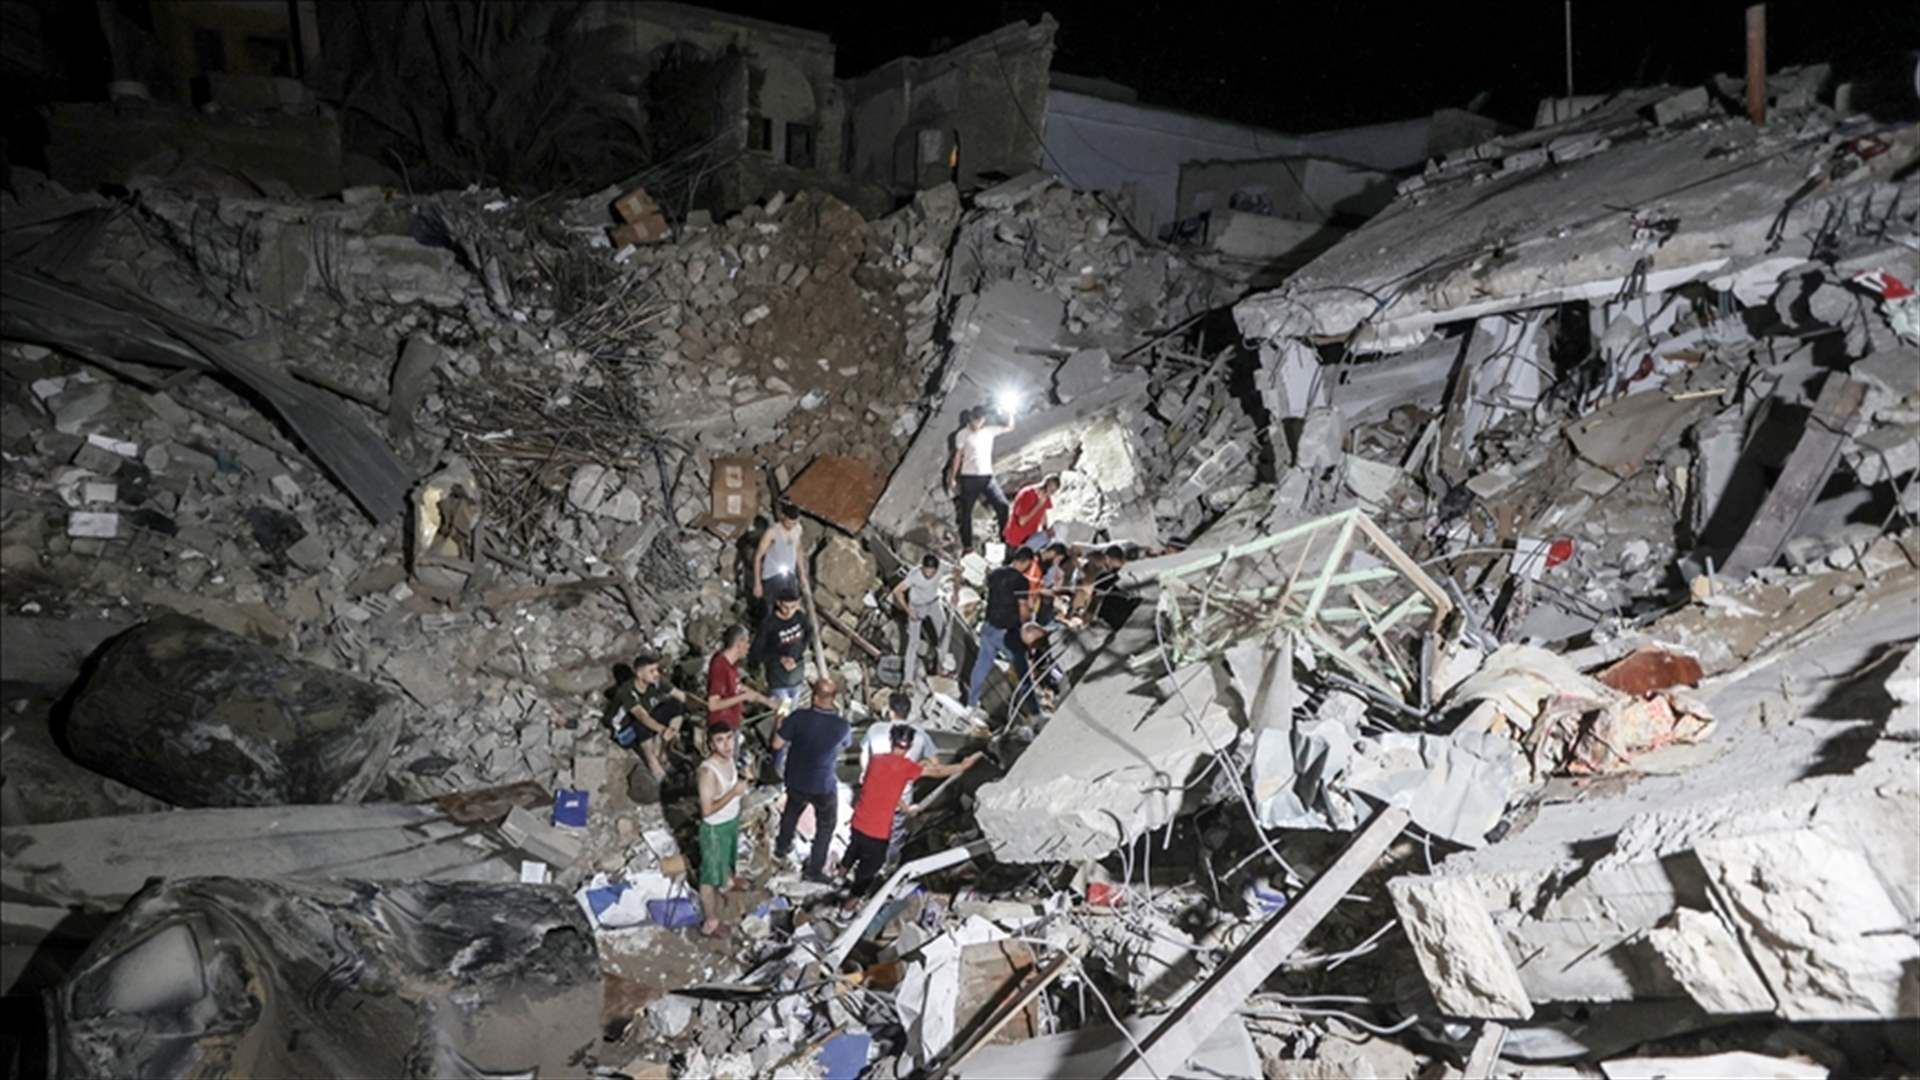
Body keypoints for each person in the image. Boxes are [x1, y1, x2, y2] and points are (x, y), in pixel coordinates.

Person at [845, 725, 981, 893]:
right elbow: (938, 771)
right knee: (867, 872)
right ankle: (848, 908)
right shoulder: (906, 768)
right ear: (909, 746)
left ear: (891, 741)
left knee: (852, 852)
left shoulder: (877, 760)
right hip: (877, 833)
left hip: (858, 823)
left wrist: (906, 808)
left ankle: (837, 878)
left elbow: (889, 790)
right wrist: (962, 766)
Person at [771, 678, 852, 884]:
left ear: (814, 697)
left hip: (796, 779)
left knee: (791, 812)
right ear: (834, 699)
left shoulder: (797, 718)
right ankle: (814, 870)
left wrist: (779, 723)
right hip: (822, 783)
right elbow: (845, 745)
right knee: (825, 826)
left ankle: (781, 848)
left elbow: (776, 744)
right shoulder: (841, 725)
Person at [859, 692, 935, 866]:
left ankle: (864, 862)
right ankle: (887, 867)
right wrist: (917, 765)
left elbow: (864, 756)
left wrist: (865, 774)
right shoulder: (920, 735)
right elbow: (935, 763)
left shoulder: (875, 729)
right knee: (894, 833)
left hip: (872, 790)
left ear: (890, 711)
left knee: (867, 827)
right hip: (899, 797)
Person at [966, 547, 1041, 718]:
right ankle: (1035, 712)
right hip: (1007, 633)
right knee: (1023, 671)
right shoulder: (1021, 581)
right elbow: (1023, 609)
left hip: (988, 626)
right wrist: (1027, 626)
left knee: (981, 666)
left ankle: (970, 705)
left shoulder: (995, 574)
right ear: (1026, 562)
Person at [696, 726, 749, 939]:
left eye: (730, 738)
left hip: (730, 822)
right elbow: (706, 810)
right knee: (708, 878)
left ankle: (727, 883)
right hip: (714, 830)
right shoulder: (707, 772)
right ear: (711, 744)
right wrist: (734, 792)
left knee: (728, 860)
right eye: (720, 740)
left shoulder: (730, 759)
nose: (727, 745)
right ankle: (710, 921)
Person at [608, 653, 690, 782]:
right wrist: (662, 730)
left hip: (647, 719)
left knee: (676, 705)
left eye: (656, 670)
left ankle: (665, 751)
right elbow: (642, 716)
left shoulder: (656, 682)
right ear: (639, 674)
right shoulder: (626, 691)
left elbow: (681, 696)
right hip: (625, 733)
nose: (656, 674)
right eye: (651, 671)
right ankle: (653, 763)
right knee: (641, 724)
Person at [946, 407, 1013, 551]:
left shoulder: (989, 431)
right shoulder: (962, 434)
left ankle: (1005, 538)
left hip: (987, 477)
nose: (978, 423)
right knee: (966, 513)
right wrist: (952, 477)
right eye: (976, 420)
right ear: (970, 419)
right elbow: (957, 456)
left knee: (1003, 505)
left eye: (981, 420)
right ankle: (968, 546)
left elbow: (1009, 427)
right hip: (969, 478)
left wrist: (1010, 412)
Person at [890, 553, 954, 685]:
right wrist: (908, 610)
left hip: (933, 603)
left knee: (945, 632)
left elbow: (958, 570)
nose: (929, 574)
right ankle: (908, 679)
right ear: (922, 568)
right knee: (913, 643)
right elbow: (897, 591)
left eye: (932, 572)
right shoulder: (915, 575)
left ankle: (942, 667)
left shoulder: (942, 567)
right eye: (927, 571)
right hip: (917, 607)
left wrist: (957, 592)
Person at [748, 588, 811, 710]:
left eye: (793, 607)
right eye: (786, 607)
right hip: (778, 680)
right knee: (783, 714)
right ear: (778, 603)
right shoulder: (769, 624)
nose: (789, 611)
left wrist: (800, 651)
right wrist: (780, 659)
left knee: (792, 713)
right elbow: (756, 652)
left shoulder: (799, 617)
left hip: (796, 677)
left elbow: (809, 632)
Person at [707, 625, 773, 736]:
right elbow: (713, 705)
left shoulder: (731, 664)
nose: (748, 646)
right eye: (747, 642)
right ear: (739, 642)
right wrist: (743, 697)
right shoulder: (720, 665)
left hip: (732, 724)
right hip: (723, 730)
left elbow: (737, 686)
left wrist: (767, 701)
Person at [753, 502, 808, 607]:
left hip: (789, 575)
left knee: (791, 606)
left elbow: (798, 550)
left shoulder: (797, 529)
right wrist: (757, 583)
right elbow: (758, 557)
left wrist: (802, 574)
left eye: (794, 523)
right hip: (772, 575)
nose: (791, 526)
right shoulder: (772, 532)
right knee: (769, 609)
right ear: (783, 517)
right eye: (789, 523)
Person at [1003, 474, 1060, 550]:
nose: (1050, 494)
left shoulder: (1045, 497)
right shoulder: (1027, 494)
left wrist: (1045, 531)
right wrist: (1038, 505)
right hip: (1014, 540)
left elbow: (1043, 513)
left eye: (1053, 492)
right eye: (1051, 491)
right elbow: (1021, 522)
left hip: (1029, 539)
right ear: (1045, 485)